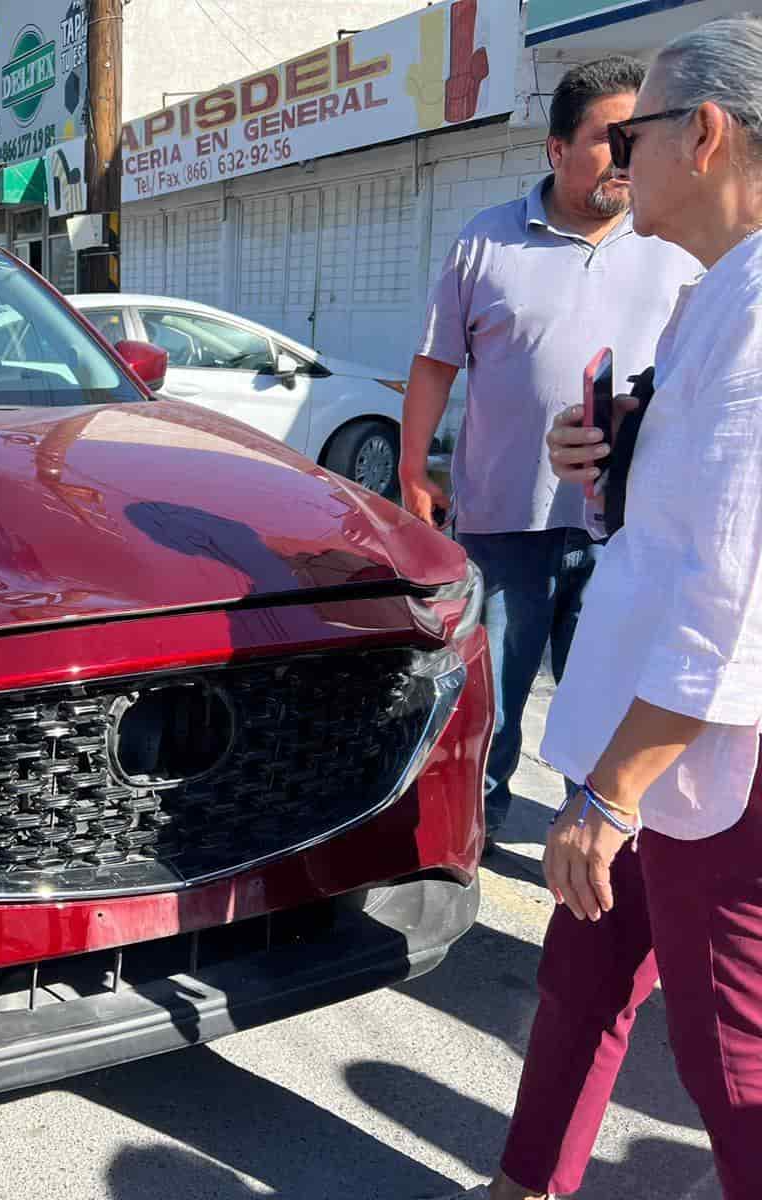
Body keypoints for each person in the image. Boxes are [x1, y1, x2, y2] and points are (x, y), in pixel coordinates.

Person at [446, 17, 762, 1198]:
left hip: (692, 752)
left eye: (639, 134)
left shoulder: (752, 318)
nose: (623, 160)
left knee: (727, 1046)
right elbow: (679, 518)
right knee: (580, 981)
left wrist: (612, 793)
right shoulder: (710, 294)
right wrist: (609, 463)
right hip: (632, 726)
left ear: (709, 134)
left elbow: (730, 599)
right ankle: (529, 1181)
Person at [400, 57, 697, 840]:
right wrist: (411, 473)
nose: (630, 158)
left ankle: (587, 829)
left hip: (627, 527)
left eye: (640, 137)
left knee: (600, 694)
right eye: (611, 139)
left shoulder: (669, 241)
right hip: (505, 524)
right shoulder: (485, 242)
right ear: (556, 149)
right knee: (493, 693)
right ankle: (480, 824)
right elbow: (435, 365)